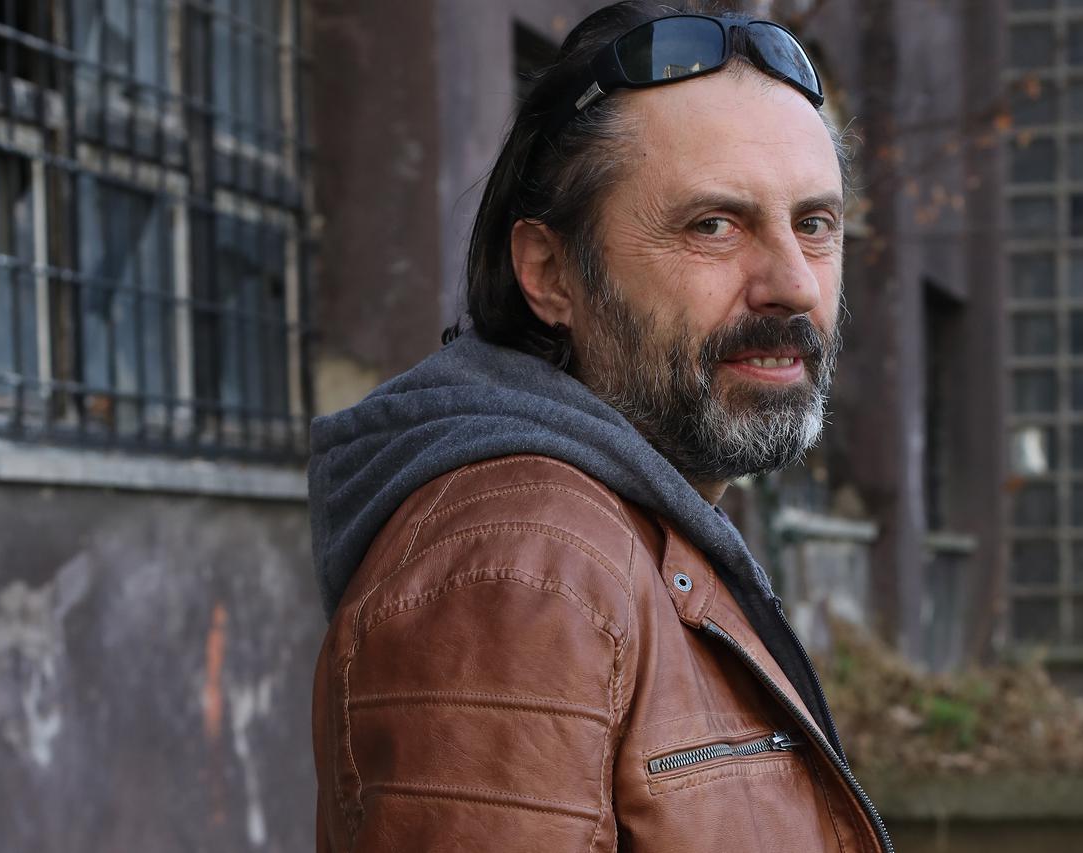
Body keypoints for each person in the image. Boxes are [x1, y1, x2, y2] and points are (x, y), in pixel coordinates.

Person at [308, 3, 890, 850]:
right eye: (714, 224)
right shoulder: (524, 569)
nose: (794, 283)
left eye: (814, 224)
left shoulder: (627, 530)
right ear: (550, 273)